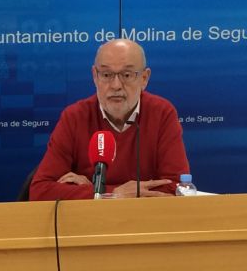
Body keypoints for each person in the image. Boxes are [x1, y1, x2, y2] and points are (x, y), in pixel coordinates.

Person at [29, 39, 189, 200]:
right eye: (106, 75)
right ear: (95, 76)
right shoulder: (75, 117)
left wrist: (95, 191)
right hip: (91, 216)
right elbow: (40, 190)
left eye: (127, 75)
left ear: (144, 78)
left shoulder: (162, 113)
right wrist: (113, 194)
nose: (116, 85)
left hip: (144, 215)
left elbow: (178, 187)